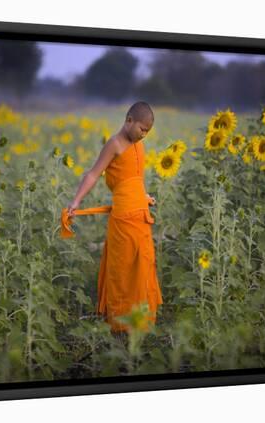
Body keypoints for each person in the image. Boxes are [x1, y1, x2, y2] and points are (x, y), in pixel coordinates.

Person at [60, 101, 163, 336]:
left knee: (142, 266)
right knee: (123, 269)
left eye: (147, 132)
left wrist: (144, 196)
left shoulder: (139, 146)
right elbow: (94, 174)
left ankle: (141, 320)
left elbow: (134, 179)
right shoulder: (115, 144)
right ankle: (120, 324)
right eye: (142, 129)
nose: (144, 135)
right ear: (129, 121)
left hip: (141, 217)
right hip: (123, 219)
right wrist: (75, 202)